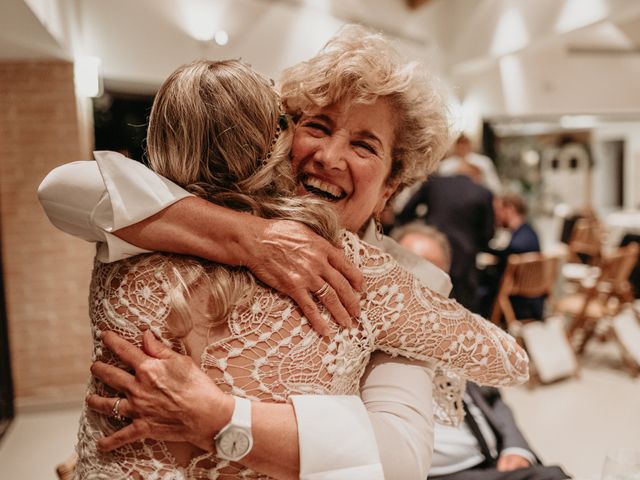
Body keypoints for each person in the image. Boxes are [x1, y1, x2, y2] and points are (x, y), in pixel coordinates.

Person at [39, 27, 528, 480]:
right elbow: (64, 190)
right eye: (317, 126)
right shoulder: (214, 209)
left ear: (389, 189)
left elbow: (400, 459)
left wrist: (219, 419)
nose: (329, 157)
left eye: (364, 145)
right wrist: (247, 237)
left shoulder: (403, 281)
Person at [393, 225, 569, 480]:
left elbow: (494, 400)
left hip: (492, 463)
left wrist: (517, 448)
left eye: (435, 272)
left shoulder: (457, 333)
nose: (422, 281)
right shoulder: (365, 337)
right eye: (412, 266)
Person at [396, 161, 495, 311]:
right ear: (476, 176)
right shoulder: (483, 192)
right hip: (465, 256)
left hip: (431, 249)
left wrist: (417, 232)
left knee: (423, 300)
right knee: (463, 307)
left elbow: (406, 212)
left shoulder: (435, 183)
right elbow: (488, 233)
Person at [480, 193, 543, 321]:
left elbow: (511, 252)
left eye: (498, 210)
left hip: (519, 303)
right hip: (532, 301)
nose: (496, 216)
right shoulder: (528, 232)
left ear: (510, 209)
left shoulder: (522, 240)